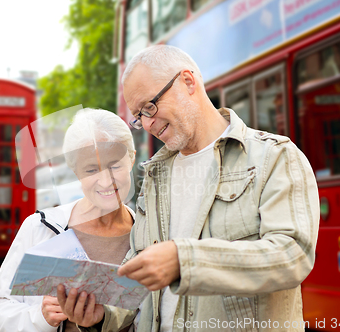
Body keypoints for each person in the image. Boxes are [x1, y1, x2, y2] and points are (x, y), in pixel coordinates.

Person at [59, 45, 320, 331]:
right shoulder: (155, 176)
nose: (147, 123)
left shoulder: (274, 157)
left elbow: (292, 256)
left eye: (150, 107)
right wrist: (101, 315)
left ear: (188, 81)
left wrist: (185, 261)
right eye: (138, 116)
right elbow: (140, 277)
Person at [0, 108, 137, 332]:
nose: (105, 181)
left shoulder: (147, 233)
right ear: (76, 172)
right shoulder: (40, 228)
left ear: (131, 159)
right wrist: (41, 317)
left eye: (115, 166)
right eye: (91, 170)